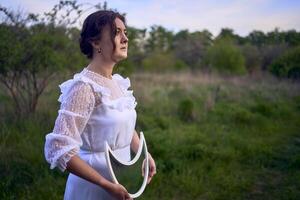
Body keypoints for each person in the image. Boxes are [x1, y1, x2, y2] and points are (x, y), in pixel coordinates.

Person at [44, 10, 156, 200]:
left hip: (121, 183)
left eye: (125, 32)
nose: (125, 38)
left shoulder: (117, 83)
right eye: (116, 32)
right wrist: (105, 184)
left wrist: (143, 154)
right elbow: (58, 146)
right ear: (95, 42)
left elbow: (124, 129)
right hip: (92, 188)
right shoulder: (84, 88)